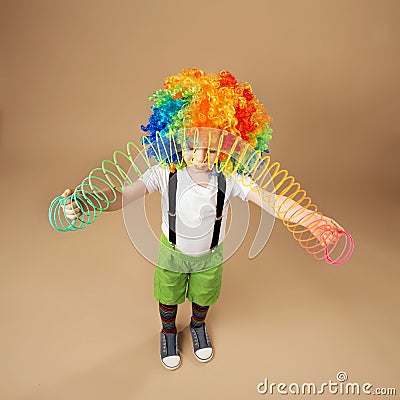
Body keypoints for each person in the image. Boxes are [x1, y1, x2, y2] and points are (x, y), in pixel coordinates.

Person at [59, 68, 345, 371]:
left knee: (204, 296)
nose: (201, 155)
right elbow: (123, 195)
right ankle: (168, 331)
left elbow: (272, 202)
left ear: (227, 144)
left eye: (212, 146)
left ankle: (197, 326)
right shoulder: (165, 173)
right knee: (167, 296)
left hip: (210, 255)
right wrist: (84, 202)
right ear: (178, 138)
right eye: (195, 144)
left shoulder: (230, 179)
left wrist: (311, 219)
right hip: (172, 252)